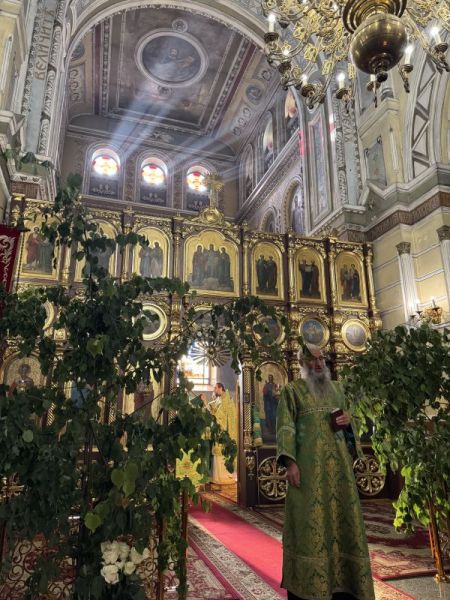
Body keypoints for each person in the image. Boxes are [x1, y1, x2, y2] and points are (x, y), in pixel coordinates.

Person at [276, 344, 375, 600]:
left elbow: (352, 428)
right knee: (310, 525)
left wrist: (349, 422)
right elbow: (285, 427)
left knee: (343, 523)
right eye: (313, 360)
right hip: (308, 471)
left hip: (339, 470)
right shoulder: (292, 391)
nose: (319, 364)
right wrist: (290, 463)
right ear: (302, 363)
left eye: (322, 359)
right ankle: (309, 587)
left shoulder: (339, 390)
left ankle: (346, 585)